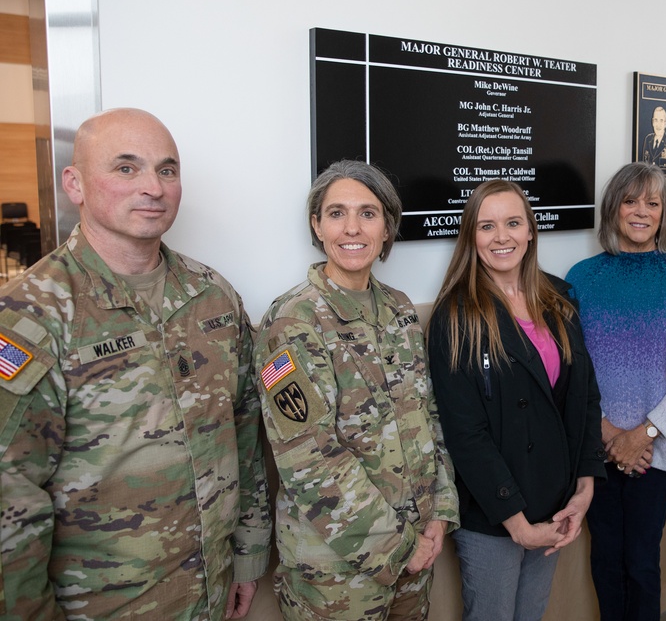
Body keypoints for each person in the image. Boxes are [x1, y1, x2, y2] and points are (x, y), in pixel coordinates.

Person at [0, 108, 271, 620]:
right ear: (75, 184)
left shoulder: (213, 296)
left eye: (167, 170)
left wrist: (248, 554)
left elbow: (244, 428)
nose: (153, 186)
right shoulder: (30, 316)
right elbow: (10, 497)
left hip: (210, 592)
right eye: (126, 168)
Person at [254, 160, 458, 620]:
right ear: (317, 225)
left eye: (368, 213)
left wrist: (440, 510)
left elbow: (429, 415)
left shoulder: (400, 309)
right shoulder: (294, 321)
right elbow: (310, 458)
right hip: (337, 573)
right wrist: (397, 547)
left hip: (418, 546)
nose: (353, 228)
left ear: (387, 227)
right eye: (336, 213)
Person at [427, 179, 604, 621]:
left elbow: (583, 398)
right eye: (486, 226)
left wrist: (585, 482)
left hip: (554, 501)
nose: (501, 236)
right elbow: (465, 433)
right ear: (471, 237)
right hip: (495, 513)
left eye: (512, 223)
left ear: (530, 231)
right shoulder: (457, 315)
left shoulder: (559, 297)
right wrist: (517, 525)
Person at [565, 162, 666, 621]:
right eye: (631, 201)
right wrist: (610, 433)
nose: (641, 212)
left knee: (642, 562)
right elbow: (571, 367)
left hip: (656, 450)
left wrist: (644, 433)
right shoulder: (582, 277)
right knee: (605, 559)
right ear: (613, 208)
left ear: (663, 213)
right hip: (597, 445)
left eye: (652, 203)